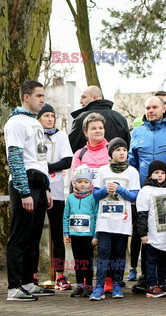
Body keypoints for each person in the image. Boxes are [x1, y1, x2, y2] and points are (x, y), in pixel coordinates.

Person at [5, 80, 55, 301]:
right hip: (23, 184)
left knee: (34, 238)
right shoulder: (15, 122)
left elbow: (41, 159)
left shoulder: (35, 123)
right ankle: (14, 288)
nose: (43, 100)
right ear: (26, 97)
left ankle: (28, 282)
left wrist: (47, 188)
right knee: (19, 237)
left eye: (43, 96)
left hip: (39, 185)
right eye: (39, 96)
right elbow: (15, 158)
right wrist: (24, 192)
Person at [89, 138, 140, 300]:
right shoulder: (103, 171)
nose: (122, 153)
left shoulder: (132, 172)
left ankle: (117, 284)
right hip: (104, 222)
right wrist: (106, 190)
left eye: (124, 150)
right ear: (111, 153)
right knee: (103, 255)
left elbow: (134, 196)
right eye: (118, 150)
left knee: (119, 254)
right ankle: (99, 286)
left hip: (122, 222)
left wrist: (120, 190)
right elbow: (95, 194)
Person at [37, 104, 73, 290]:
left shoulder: (61, 136)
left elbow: (67, 160)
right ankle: (31, 275)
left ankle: (60, 276)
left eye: (53, 116)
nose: (50, 119)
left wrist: (46, 168)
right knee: (33, 234)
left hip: (56, 191)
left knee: (57, 235)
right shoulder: (32, 134)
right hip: (36, 190)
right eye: (46, 116)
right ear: (39, 118)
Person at [137, 160, 166, 298]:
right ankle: (151, 285)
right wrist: (142, 233)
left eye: (162, 173)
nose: (160, 175)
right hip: (152, 234)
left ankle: (161, 283)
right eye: (156, 172)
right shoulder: (145, 191)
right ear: (150, 175)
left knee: (163, 260)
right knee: (151, 261)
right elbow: (142, 214)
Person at [63, 165, 98, 298]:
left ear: (90, 182)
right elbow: (66, 216)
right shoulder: (71, 198)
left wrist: (96, 235)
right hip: (74, 235)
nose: (82, 185)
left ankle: (89, 285)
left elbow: (95, 216)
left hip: (88, 235)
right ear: (74, 182)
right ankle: (80, 285)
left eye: (86, 181)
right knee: (77, 261)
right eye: (79, 181)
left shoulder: (93, 197)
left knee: (87, 261)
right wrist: (66, 232)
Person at [69, 85, 130, 153]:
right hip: (115, 162)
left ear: (94, 97)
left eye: (84, 97)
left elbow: (70, 148)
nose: (80, 101)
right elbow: (127, 145)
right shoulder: (120, 118)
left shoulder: (81, 119)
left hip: (88, 162)